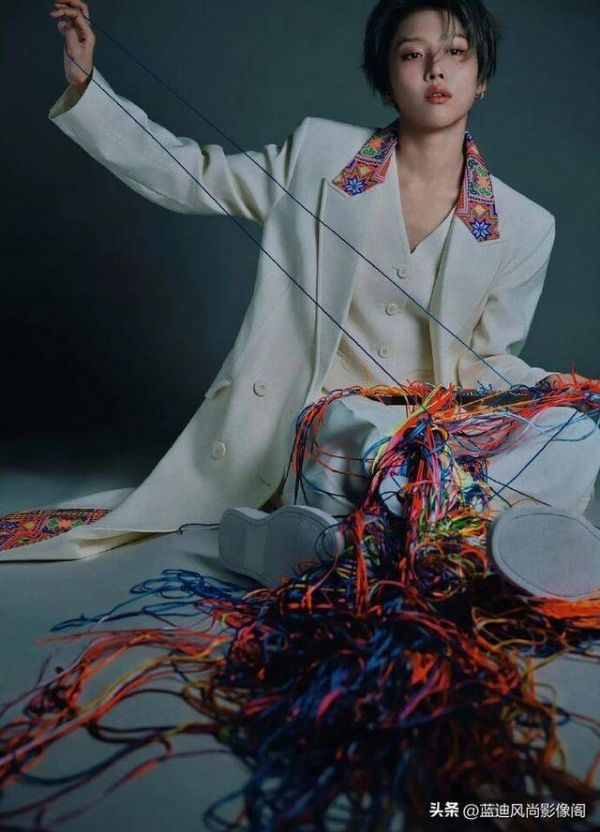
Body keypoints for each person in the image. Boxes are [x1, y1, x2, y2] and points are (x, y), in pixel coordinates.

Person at [5, 0, 599, 596]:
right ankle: (481, 540)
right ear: (387, 82)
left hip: (431, 427)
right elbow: (192, 176)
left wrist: (549, 395)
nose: (435, 69)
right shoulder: (318, 156)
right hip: (326, 426)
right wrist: (87, 87)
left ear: (481, 76)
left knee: (576, 432)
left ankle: (332, 541)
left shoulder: (525, 225)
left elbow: (485, 360)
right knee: (357, 431)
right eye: (412, 54)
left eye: (456, 53)